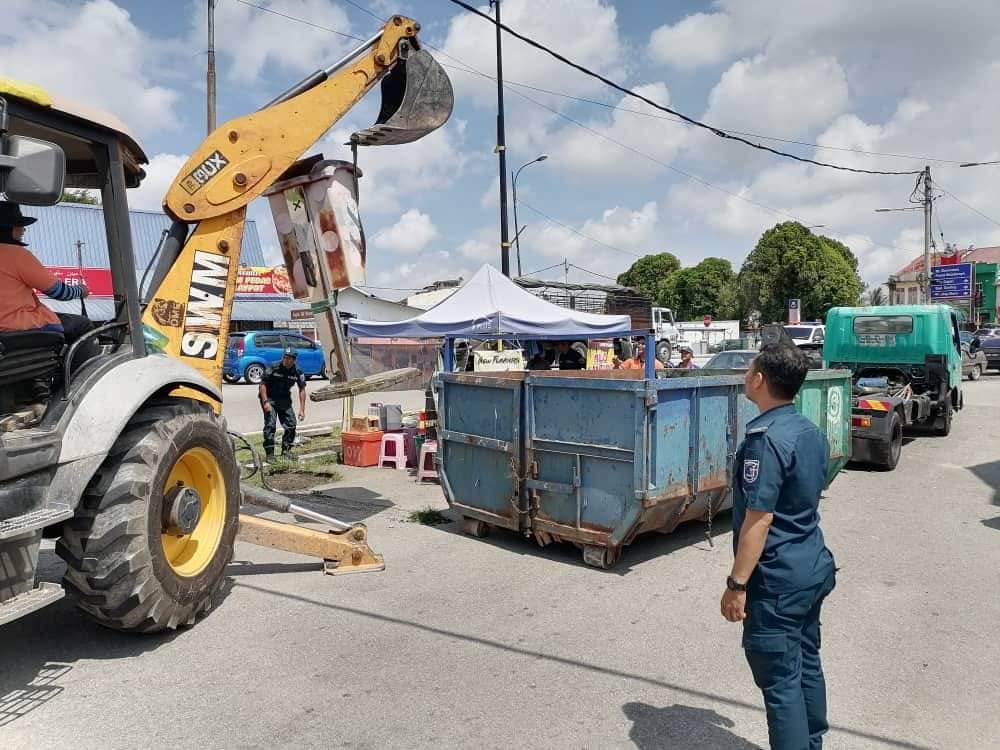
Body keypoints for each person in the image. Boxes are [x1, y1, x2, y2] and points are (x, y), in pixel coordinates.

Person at [720, 343, 836, 750]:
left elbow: (760, 518)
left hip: (779, 581)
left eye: (749, 369)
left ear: (760, 379)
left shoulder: (764, 439)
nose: (746, 374)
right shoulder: (809, 430)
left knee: (780, 680)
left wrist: (737, 585)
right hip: (810, 567)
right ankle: (813, 742)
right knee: (805, 662)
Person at [0, 201, 91, 341]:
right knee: (82, 324)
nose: (24, 230)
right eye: (20, 225)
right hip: (15, 325)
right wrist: (80, 290)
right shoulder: (17, 255)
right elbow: (59, 292)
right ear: (9, 228)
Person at [259, 347, 307, 461]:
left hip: (284, 400)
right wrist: (265, 402)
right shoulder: (273, 367)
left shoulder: (298, 371)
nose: (286, 360)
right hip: (270, 398)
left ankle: (286, 451)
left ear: (294, 360)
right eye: (285, 357)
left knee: (291, 424)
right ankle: (270, 454)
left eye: (289, 358)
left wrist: (302, 409)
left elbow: (302, 389)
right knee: (270, 425)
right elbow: (262, 385)